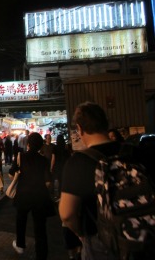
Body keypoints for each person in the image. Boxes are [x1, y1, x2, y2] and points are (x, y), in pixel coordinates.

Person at [59, 101, 121, 259]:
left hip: (100, 240)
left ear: (79, 129)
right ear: (106, 124)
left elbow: (66, 214)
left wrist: (81, 234)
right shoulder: (134, 152)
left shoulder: (79, 161)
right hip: (142, 234)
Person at [10, 132, 52, 260]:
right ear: (40, 146)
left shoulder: (21, 157)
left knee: (21, 220)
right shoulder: (44, 160)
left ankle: (20, 245)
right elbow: (48, 182)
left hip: (24, 194)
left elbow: (12, 174)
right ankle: (42, 254)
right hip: (39, 195)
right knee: (40, 227)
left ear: (28, 144)